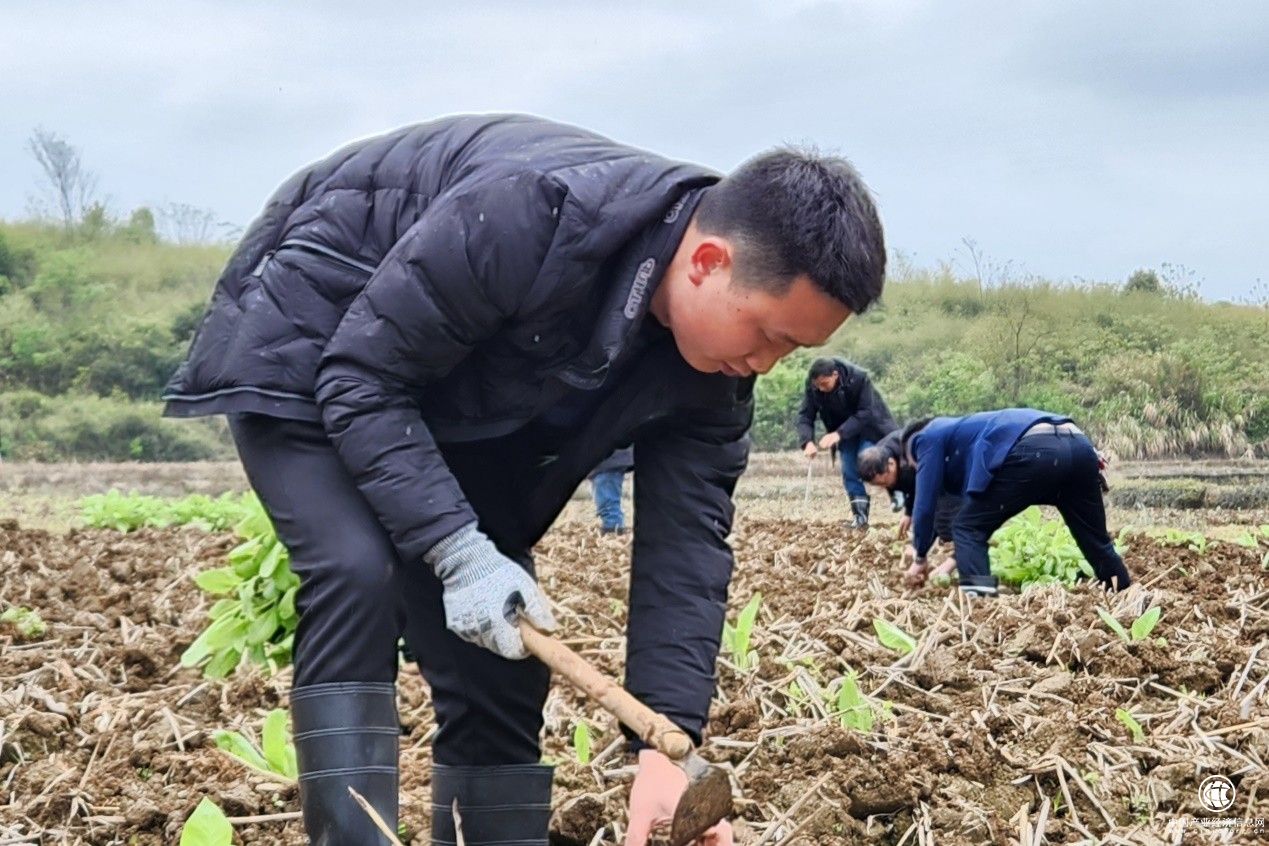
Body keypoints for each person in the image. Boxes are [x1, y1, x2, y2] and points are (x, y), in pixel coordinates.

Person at [161, 115, 886, 846]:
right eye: (768, 334)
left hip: (444, 396)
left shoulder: (716, 376)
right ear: (706, 262)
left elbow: (686, 549)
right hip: (315, 340)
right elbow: (363, 379)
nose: (765, 363)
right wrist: (458, 552)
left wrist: (667, 754)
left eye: (792, 350)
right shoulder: (534, 213)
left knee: (503, 658)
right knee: (358, 571)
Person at [899, 409, 1132, 597]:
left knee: (968, 528)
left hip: (1035, 450)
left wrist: (920, 557)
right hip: (1080, 445)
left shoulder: (926, 436)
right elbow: (962, 507)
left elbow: (926, 503)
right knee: (1096, 541)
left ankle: (980, 605)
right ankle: (1124, 593)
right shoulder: (965, 437)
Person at [795, 357, 897, 528]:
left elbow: (866, 412)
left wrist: (838, 434)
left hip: (871, 428)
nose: (820, 389)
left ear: (835, 375)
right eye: (817, 385)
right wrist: (807, 442)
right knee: (849, 469)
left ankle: (900, 496)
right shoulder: (814, 386)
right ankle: (860, 519)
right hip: (844, 432)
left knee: (867, 461)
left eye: (824, 384)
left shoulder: (859, 378)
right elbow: (805, 416)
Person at [856, 431, 961, 586]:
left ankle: (955, 561)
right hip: (930, 467)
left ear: (891, 464)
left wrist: (919, 553)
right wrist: (908, 512)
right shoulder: (880, 456)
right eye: (879, 485)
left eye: (884, 483)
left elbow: (925, 507)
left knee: (948, 524)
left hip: (954, 463)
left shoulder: (914, 460)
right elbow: (909, 486)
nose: (886, 487)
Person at [589, 446, 634, 533]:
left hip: (608, 460)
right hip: (610, 459)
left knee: (607, 501)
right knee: (607, 498)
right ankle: (613, 526)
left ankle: (612, 527)